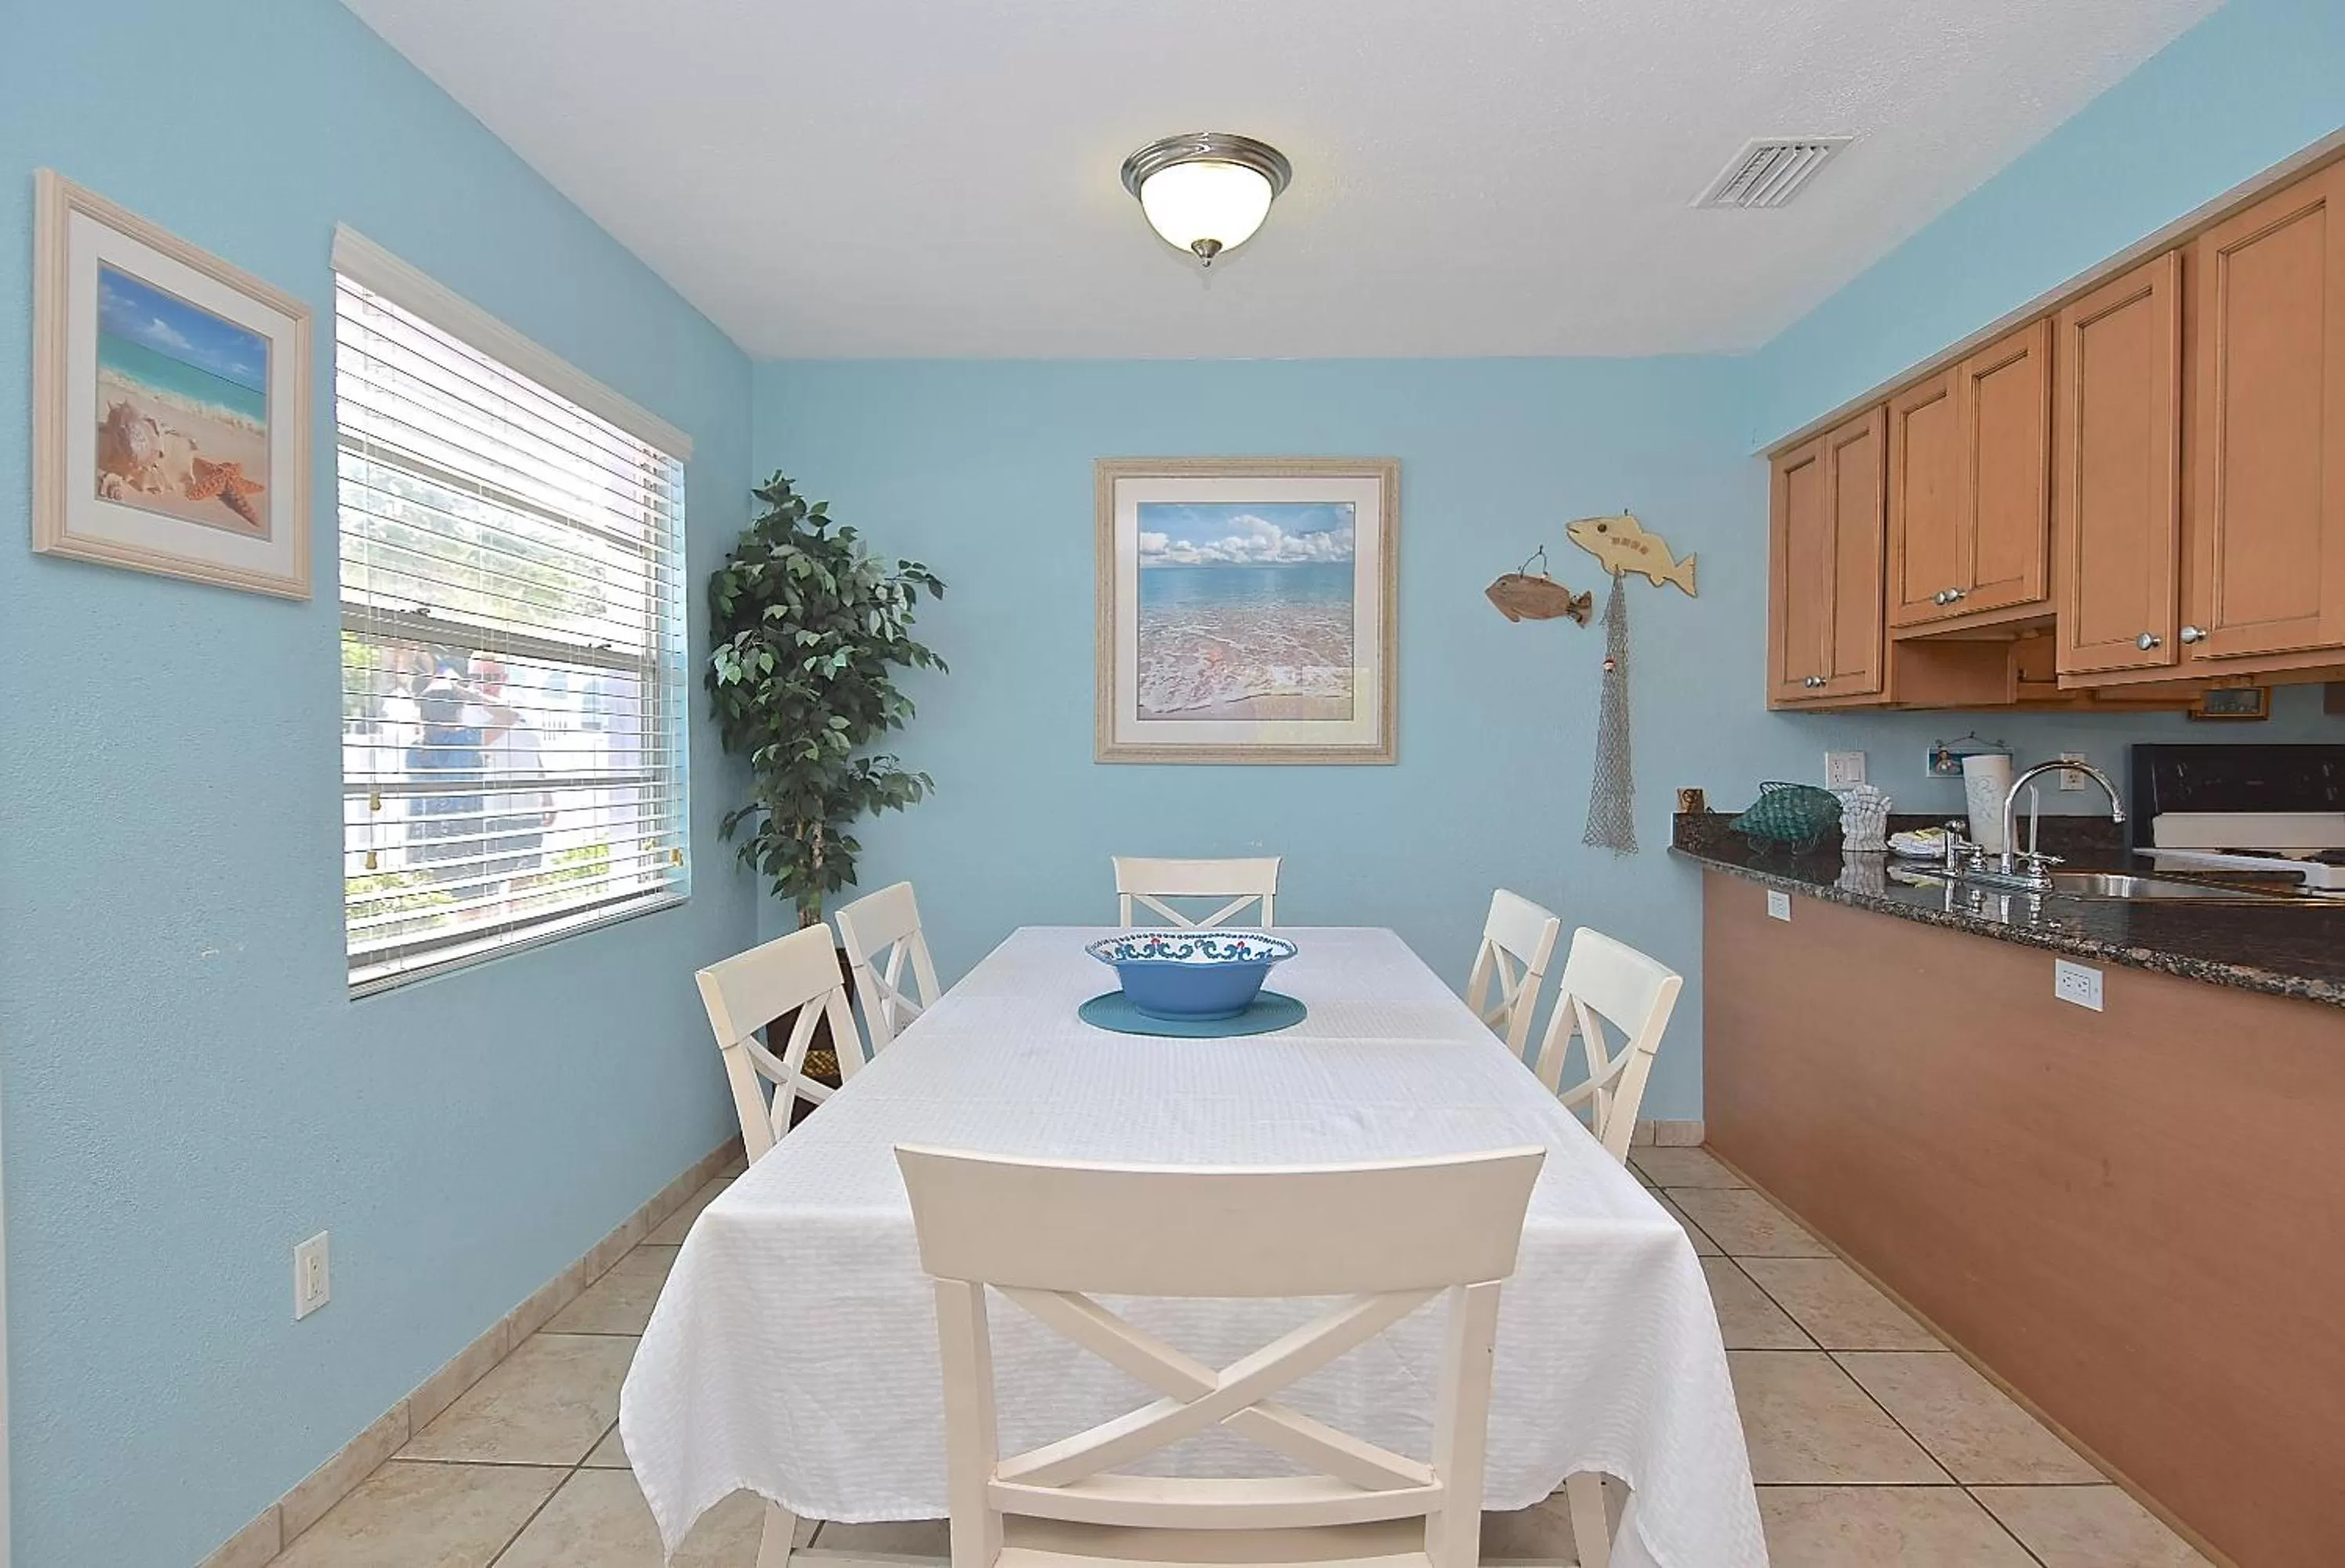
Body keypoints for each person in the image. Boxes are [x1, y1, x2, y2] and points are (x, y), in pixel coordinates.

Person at [471, 655, 555, 898]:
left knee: (525, 881)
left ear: (504, 679)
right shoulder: (466, 712)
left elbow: (532, 751)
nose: (484, 683)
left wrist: (547, 795)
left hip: (527, 809)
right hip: (493, 812)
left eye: (491, 677)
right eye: (477, 677)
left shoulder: (518, 706)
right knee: (490, 883)